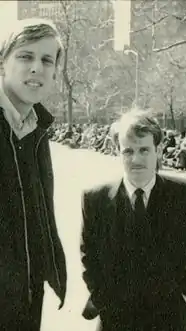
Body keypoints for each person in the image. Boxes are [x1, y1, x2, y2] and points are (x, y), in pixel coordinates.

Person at [80, 108, 186, 331]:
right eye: (128, 151)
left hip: (169, 316)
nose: (136, 159)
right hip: (114, 316)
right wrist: (101, 297)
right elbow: (88, 253)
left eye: (144, 150)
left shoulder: (183, 193)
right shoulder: (95, 199)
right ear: (117, 151)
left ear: (158, 150)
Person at [0, 18, 67, 329]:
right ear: (3, 64)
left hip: (27, 296)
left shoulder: (36, 128)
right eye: (25, 57)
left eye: (46, 60)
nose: (37, 68)